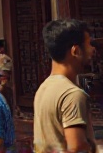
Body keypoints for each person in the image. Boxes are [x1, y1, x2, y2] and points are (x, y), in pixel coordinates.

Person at [34, 18, 96, 153]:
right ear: (76, 51)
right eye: (89, 44)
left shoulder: (43, 88)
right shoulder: (73, 94)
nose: (93, 50)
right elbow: (76, 148)